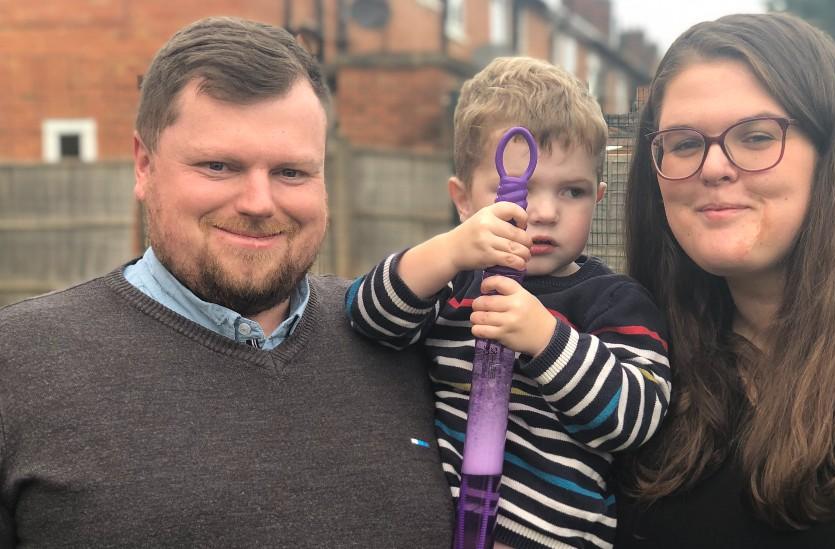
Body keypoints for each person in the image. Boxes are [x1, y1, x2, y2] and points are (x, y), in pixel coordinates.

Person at [0, 16, 454, 545]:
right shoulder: (20, 364)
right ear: (144, 166)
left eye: (291, 172)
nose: (259, 203)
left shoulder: (414, 342)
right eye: (218, 166)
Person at [615, 12, 835, 549]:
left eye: (756, 136)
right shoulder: (640, 339)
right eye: (685, 144)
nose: (713, 167)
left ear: (834, 153)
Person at [345, 57, 671, 548]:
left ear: (599, 197)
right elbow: (368, 319)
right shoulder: (454, 283)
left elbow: (636, 418)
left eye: (572, 191)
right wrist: (448, 251)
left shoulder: (614, 302)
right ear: (463, 201)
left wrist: (546, 339)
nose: (543, 211)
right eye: (514, 189)